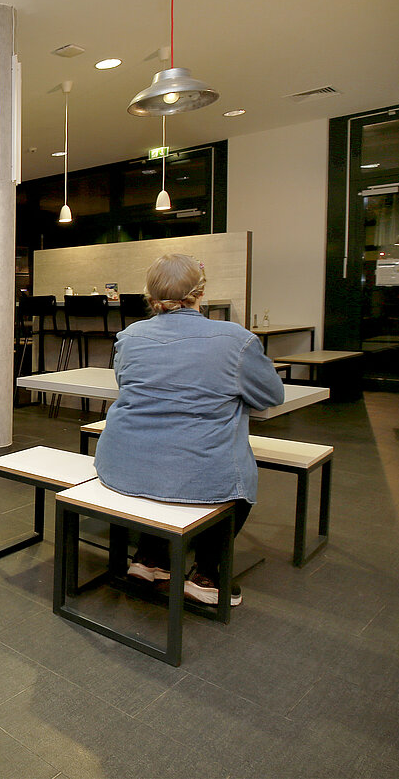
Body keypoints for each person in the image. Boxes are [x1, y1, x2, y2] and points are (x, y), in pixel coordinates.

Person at [93, 254, 284, 607]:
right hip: (198, 474)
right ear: (200, 291)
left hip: (119, 466)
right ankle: (208, 574)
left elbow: (127, 383)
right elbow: (271, 395)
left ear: (149, 295)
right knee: (230, 476)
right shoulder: (236, 340)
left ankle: (150, 559)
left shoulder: (129, 336)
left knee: (162, 461)